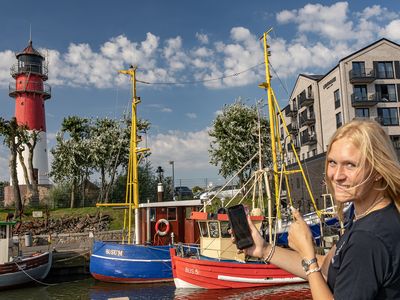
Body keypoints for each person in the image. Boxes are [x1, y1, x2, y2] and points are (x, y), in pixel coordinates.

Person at [239, 120, 400, 299]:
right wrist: (264, 249)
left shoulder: (366, 241)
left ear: (378, 171)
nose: (337, 175)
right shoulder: (368, 215)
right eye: (332, 162)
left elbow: (317, 268)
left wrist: (307, 255)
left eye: (350, 165)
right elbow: (326, 269)